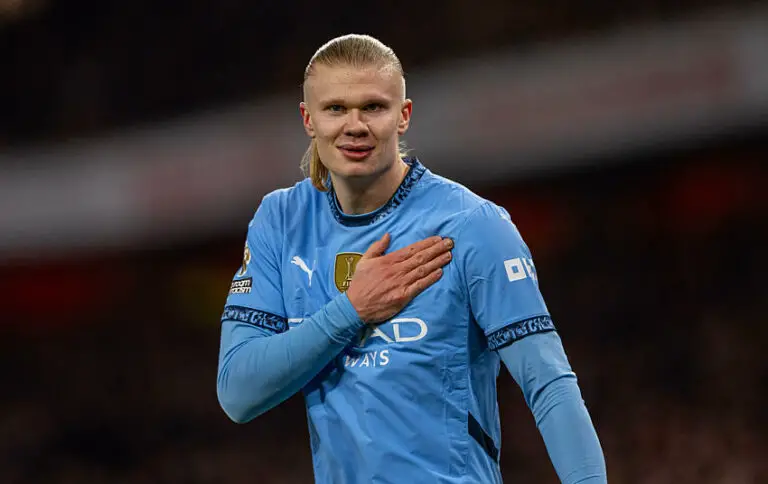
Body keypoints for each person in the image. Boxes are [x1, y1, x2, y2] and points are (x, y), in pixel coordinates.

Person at [216, 34, 606, 484]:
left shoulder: (472, 225)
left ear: (403, 116)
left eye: (373, 107)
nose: (355, 125)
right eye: (336, 108)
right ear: (308, 119)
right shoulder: (282, 221)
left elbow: (549, 383)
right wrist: (351, 310)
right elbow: (238, 392)